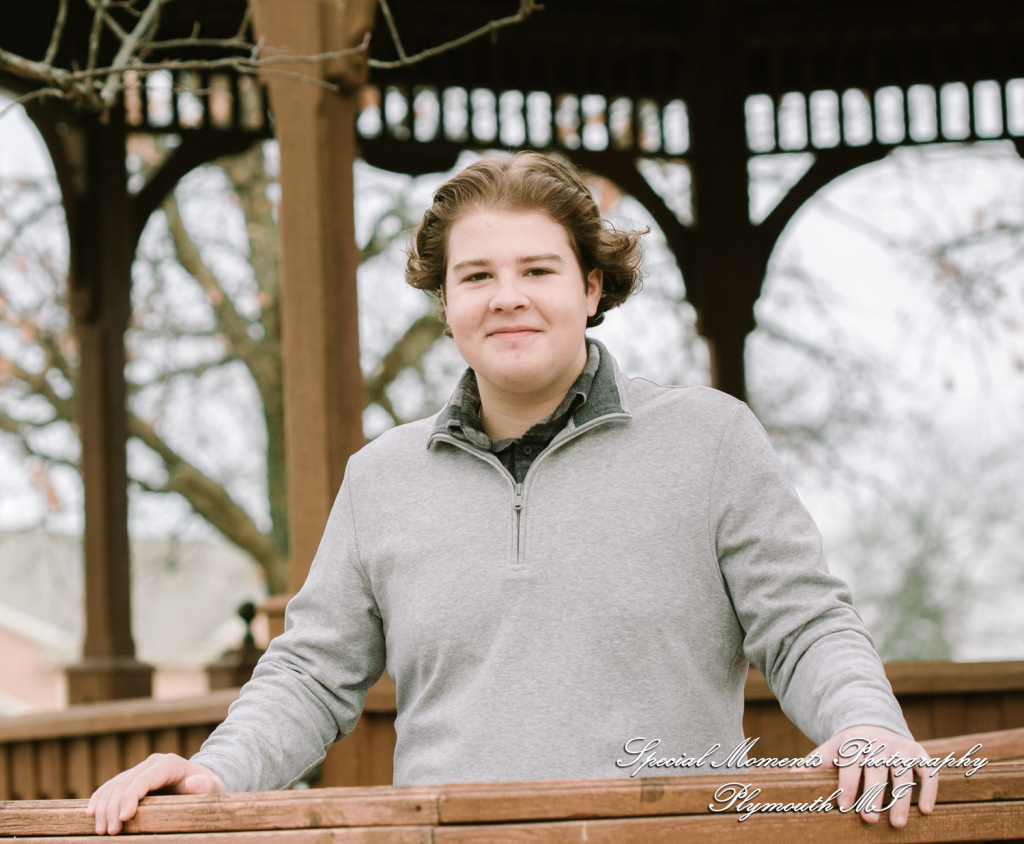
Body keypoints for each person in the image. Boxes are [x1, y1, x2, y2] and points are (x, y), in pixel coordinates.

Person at [87, 152, 938, 834]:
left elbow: (805, 625)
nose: (509, 299)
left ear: (591, 286)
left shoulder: (711, 440)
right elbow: (311, 673)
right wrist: (215, 771)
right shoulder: (380, 476)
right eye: (477, 277)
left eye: (538, 269)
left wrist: (866, 722)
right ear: (445, 301)